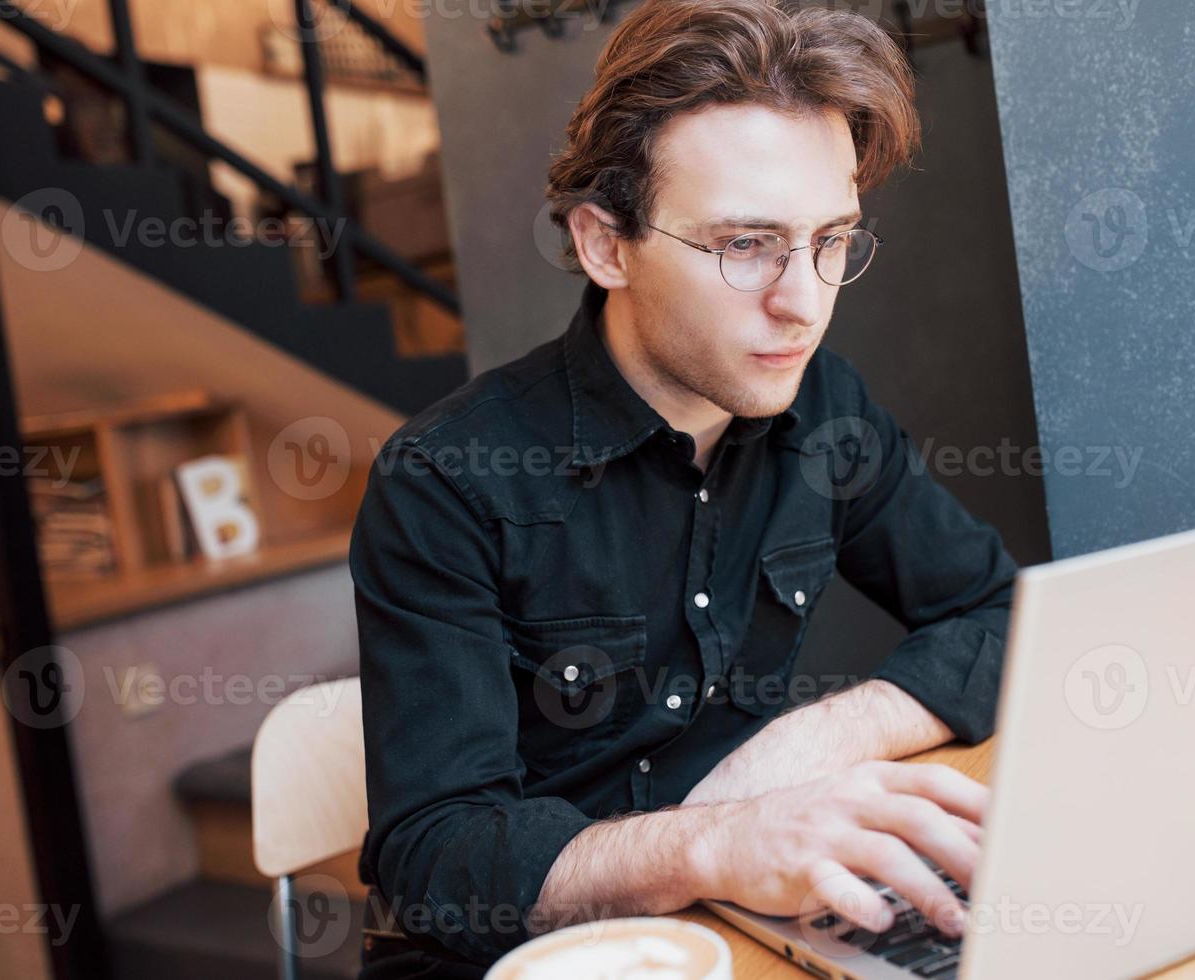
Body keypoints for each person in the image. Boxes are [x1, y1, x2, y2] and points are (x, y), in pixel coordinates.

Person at [350, 1, 1018, 974]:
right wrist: (714, 838)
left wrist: (822, 736)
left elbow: (1002, 611)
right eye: (745, 245)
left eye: (831, 237)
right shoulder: (445, 479)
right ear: (605, 245)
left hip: (743, 913)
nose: (804, 300)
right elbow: (434, 857)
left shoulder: (823, 407)